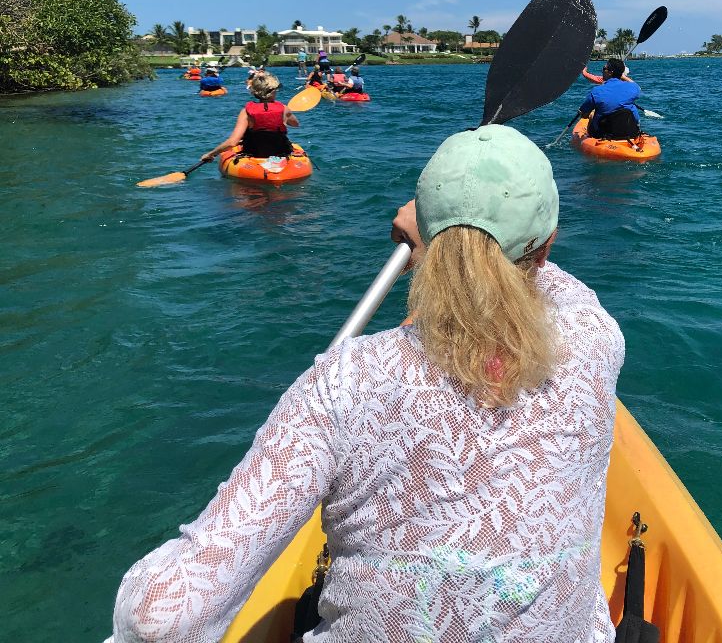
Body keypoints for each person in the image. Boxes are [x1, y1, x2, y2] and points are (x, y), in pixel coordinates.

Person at [108, 125, 625, 643]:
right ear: (548, 241)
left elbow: (162, 617)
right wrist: (464, 235)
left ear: (423, 235)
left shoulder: (344, 381)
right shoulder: (597, 336)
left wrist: (442, 235)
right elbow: (533, 275)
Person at [200, 72, 299, 160]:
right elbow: (295, 124)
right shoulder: (284, 108)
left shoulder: (246, 111)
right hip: (280, 153)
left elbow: (232, 142)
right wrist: (288, 113)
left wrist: (210, 154)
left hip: (254, 154)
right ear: (273, 92)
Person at [578, 57, 641, 140]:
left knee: (591, 114)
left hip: (604, 133)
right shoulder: (633, 88)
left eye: (604, 68)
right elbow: (636, 86)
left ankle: (591, 136)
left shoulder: (596, 91)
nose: (602, 71)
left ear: (610, 72)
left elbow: (584, 114)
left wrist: (582, 112)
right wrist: (621, 75)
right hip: (630, 132)